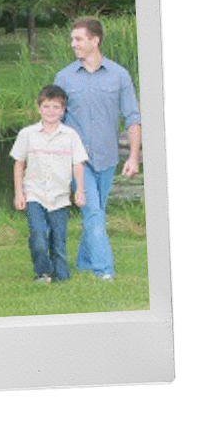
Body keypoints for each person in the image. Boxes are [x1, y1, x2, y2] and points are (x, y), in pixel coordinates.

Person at [54, 16, 141, 281]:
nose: (73, 44)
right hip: (76, 161)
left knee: (95, 212)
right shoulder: (64, 77)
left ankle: (83, 261)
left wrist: (134, 157)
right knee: (92, 210)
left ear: (95, 40)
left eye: (78, 39)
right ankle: (105, 270)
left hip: (107, 157)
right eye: (72, 39)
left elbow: (133, 118)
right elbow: (53, 118)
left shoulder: (119, 75)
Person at [10, 85, 87, 283]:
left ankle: (60, 275)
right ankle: (43, 272)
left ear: (63, 110)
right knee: (38, 234)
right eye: (46, 107)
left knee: (58, 240)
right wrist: (19, 193)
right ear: (39, 108)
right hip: (34, 193)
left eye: (55, 107)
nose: (51, 111)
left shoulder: (70, 135)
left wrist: (80, 190)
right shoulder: (28, 134)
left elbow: (78, 164)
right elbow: (19, 164)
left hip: (60, 196)